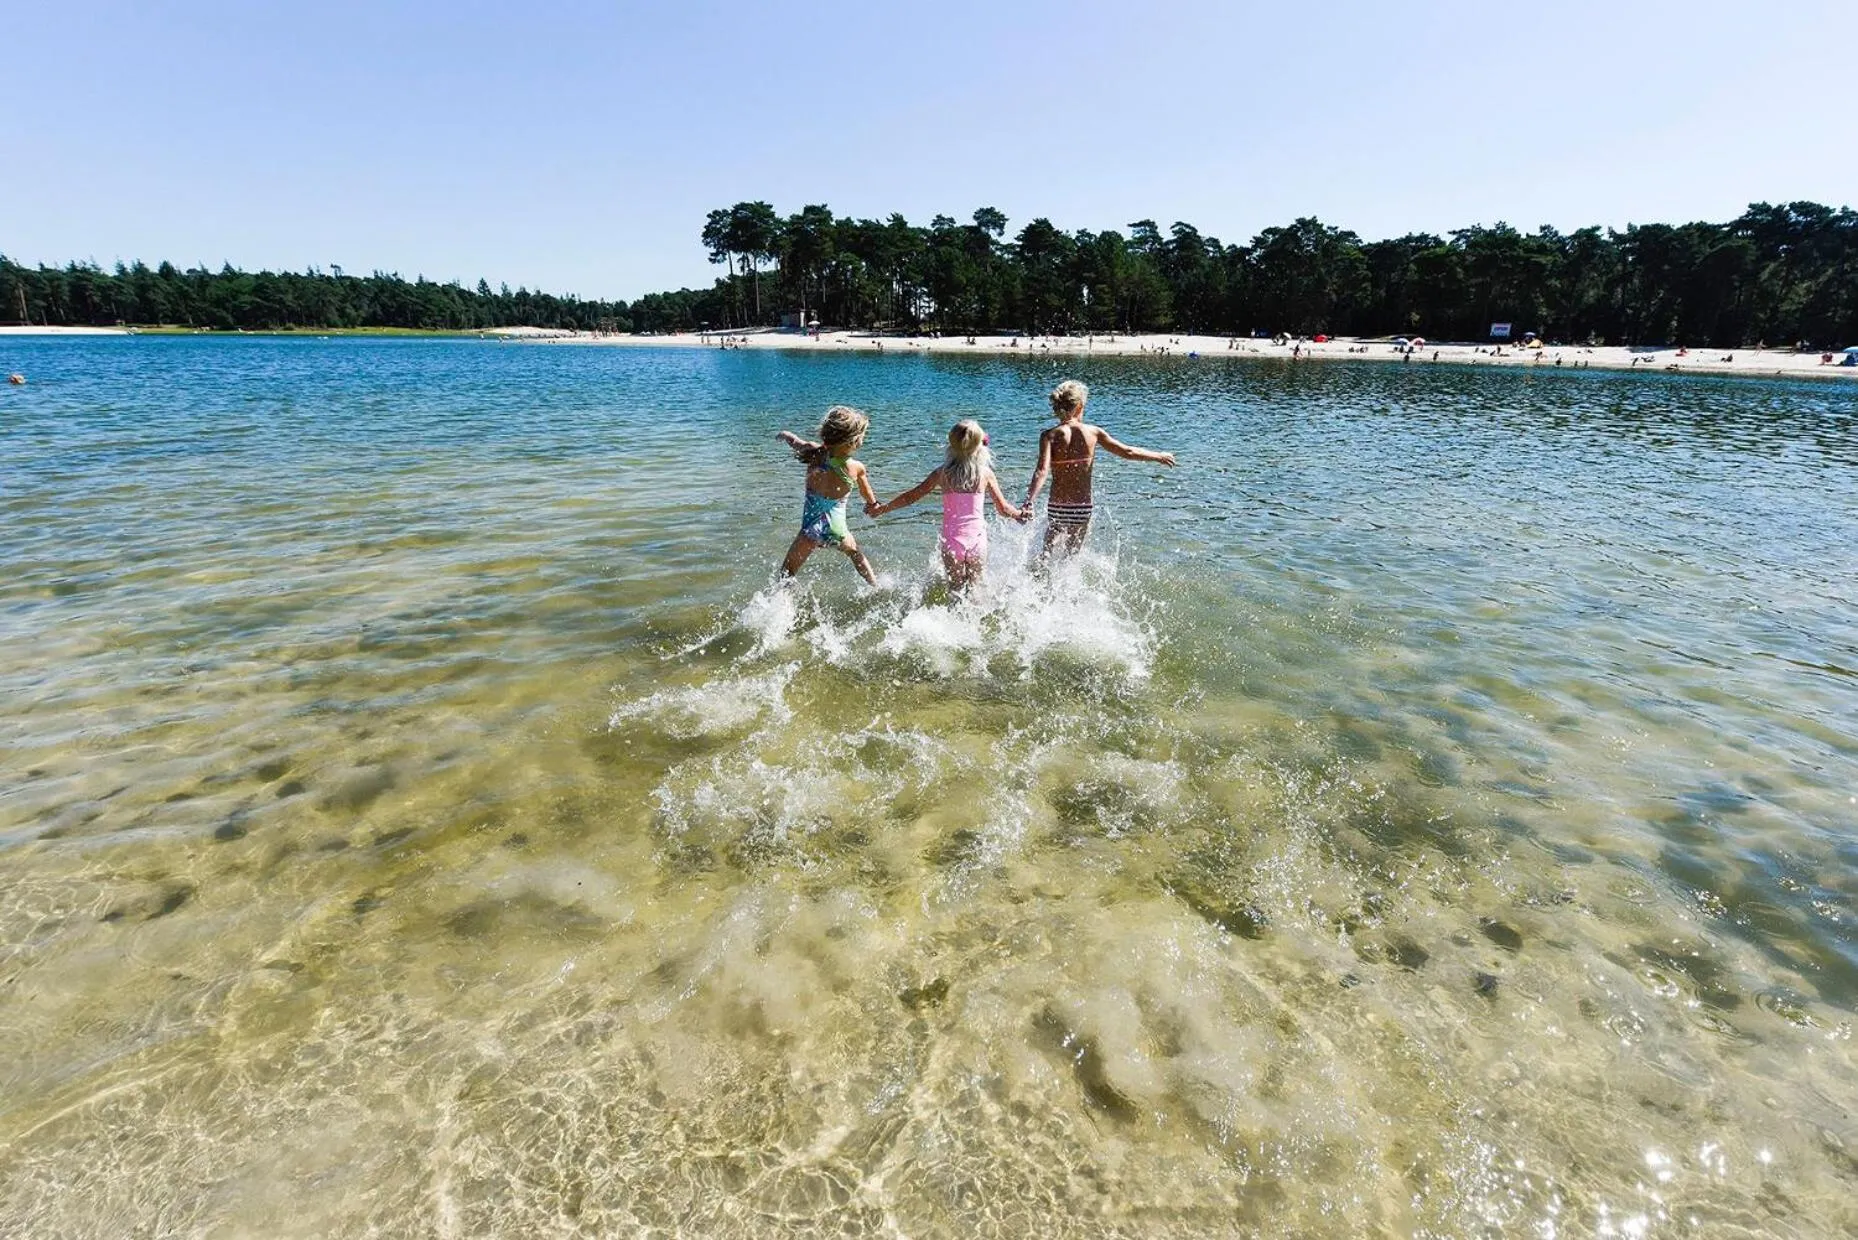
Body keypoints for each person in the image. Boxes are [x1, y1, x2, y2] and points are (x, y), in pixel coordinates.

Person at [868, 419, 1027, 593]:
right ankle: (973, 620)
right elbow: (1003, 509)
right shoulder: (986, 474)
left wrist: (884, 508)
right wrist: (1019, 514)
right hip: (977, 542)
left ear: (950, 445)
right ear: (980, 446)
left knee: (955, 590)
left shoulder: (942, 473)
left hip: (952, 543)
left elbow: (911, 497)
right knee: (976, 588)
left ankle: (949, 619)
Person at [1024, 380, 1175, 557]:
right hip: (1082, 507)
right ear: (1080, 406)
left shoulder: (1049, 435)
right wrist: (1158, 456)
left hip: (1058, 506)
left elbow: (1041, 471)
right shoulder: (1093, 432)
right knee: (1070, 557)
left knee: (1046, 554)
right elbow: (1127, 451)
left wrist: (1029, 501)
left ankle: (1039, 581)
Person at [776, 406, 880, 584]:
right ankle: (875, 585)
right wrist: (873, 505)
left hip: (810, 530)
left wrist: (786, 435)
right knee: (856, 554)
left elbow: (796, 442)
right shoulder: (856, 468)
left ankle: (780, 606)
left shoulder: (814, 453)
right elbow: (867, 493)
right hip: (837, 529)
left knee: (787, 572)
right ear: (852, 441)